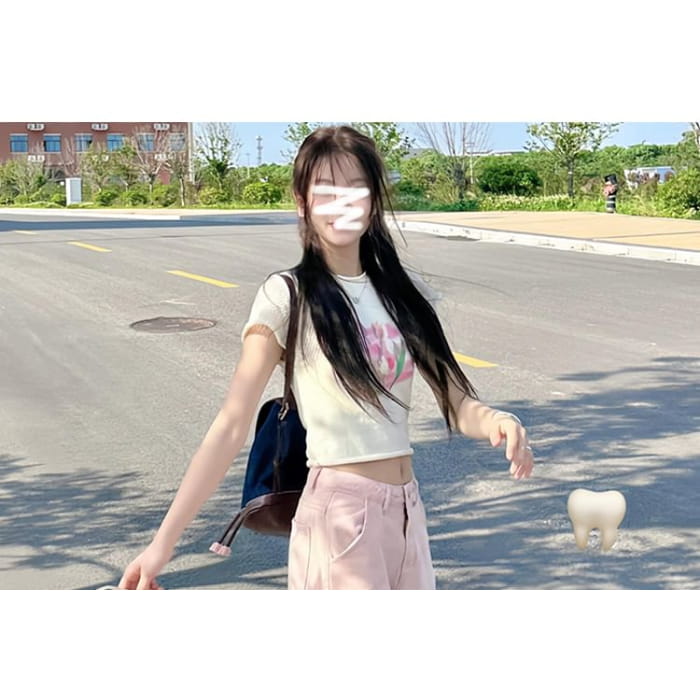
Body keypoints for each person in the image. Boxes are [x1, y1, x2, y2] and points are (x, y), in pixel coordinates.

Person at [118, 125, 534, 591]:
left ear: (373, 201)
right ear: (302, 202)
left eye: (356, 189)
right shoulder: (287, 296)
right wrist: (163, 544)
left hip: (406, 512)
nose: (343, 203)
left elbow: (456, 402)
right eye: (327, 191)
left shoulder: (400, 294)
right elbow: (231, 425)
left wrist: (497, 420)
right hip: (340, 517)